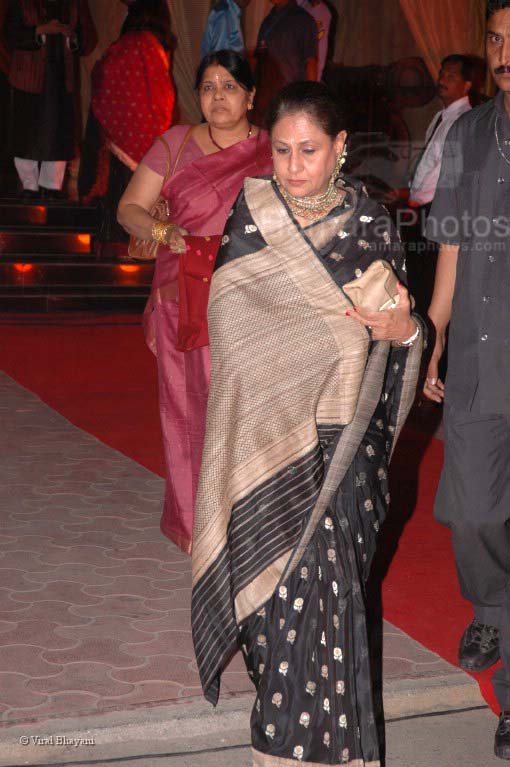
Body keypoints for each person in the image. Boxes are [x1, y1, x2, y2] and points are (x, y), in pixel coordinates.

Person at [191, 81, 424, 766]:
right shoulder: (253, 213)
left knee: (327, 602)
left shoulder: (371, 224)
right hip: (265, 439)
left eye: (310, 151)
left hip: (343, 446)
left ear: (341, 146)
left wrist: (405, 328)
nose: (294, 167)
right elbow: (232, 321)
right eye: (282, 150)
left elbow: (403, 333)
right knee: (275, 617)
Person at [117, 50, 273, 555]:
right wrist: (166, 231)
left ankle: (254, 518)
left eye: (230, 86)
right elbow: (130, 209)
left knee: (250, 407)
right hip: (183, 294)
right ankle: (196, 529)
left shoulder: (275, 150)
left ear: (251, 95)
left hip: (254, 297)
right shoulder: (177, 143)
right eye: (208, 87)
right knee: (187, 411)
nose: (218, 97)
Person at [423, 1, 510, 760]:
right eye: (496, 39)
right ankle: (492, 601)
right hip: (482, 361)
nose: (506, 52)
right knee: (478, 515)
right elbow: (451, 239)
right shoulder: (469, 134)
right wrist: (436, 330)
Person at [79, 0, 174, 256]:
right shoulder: (155, 44)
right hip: (147, 135)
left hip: (124, 137)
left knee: (119, 201)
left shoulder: (134, 44)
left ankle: (114, 253)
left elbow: (106, 75)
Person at [4, 0, 97, 200]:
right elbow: (9, 37)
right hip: (27, 79)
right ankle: (28, 185)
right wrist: (40, 30)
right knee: (26, 135)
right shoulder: (21, 3)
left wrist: (72, 36)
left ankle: (52, 187)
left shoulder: (74, 4)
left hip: (61, 81)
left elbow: (88, 40)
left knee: (58, 135)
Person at [405, 54, 473, 315]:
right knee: (419, 278)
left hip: (435, 209)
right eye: (442, 74)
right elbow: (427, 164)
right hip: (423, 206)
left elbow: (443, 174)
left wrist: (414, 201)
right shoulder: (442, 117)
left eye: (451, 76)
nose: (442, 80)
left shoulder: (463, 121)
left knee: (427, 283)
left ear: (467, 85)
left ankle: (431, 341)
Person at [252, 0, 318, 125]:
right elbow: (258, 61)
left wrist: (311, 100)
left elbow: (311, 62)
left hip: (290, 101)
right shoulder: (268, 20)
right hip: (264, 101)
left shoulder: (303, 20)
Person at [297, 0, 332, 81]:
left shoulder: (320, 11)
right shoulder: (298, 6)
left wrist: (312, 87)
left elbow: (316, 55)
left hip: (302, 83)